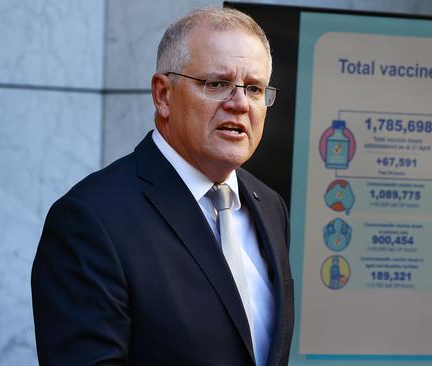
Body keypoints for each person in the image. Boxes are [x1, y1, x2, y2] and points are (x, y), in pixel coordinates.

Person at [31, 7, 293, 366]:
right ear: (163, 95)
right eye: (217, 84)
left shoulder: (270, 206)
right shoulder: (90, 219)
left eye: (254, 88)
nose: (240, 104)